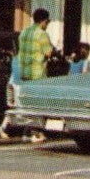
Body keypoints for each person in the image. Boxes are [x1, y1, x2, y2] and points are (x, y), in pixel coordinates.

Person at [14, 9, 53, 142]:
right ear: (43, 21)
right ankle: (36, 132)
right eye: (48, 21)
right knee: (39, 104)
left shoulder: (23, 32)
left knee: (28, 104)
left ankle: (26, 132)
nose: (48, 24)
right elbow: (48, 53)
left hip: (24, 72)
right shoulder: (42, 34)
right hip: (38, 74)